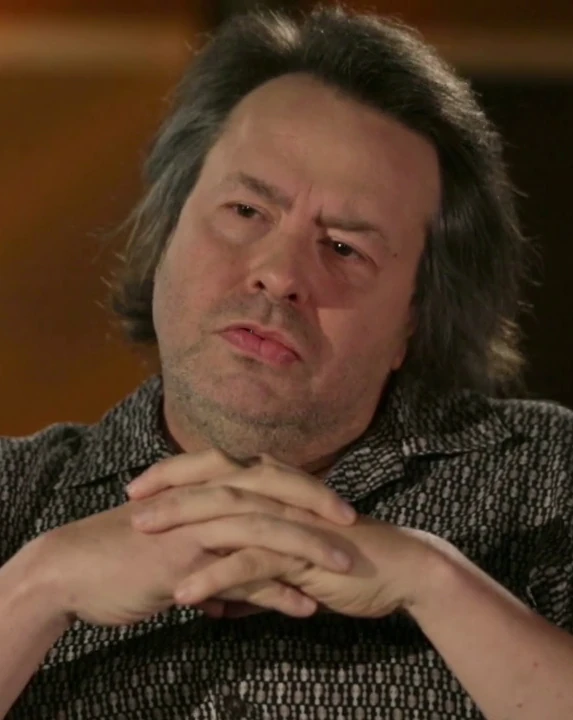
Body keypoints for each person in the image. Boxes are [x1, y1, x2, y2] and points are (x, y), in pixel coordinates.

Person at [1, 4, 572, 719]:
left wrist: (437, 584)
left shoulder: (550, 479)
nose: (279, 274)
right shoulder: (14, 494)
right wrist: (37, 588)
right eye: (246, 211)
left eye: (344, 248)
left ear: (413, 319)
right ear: (168, 229)